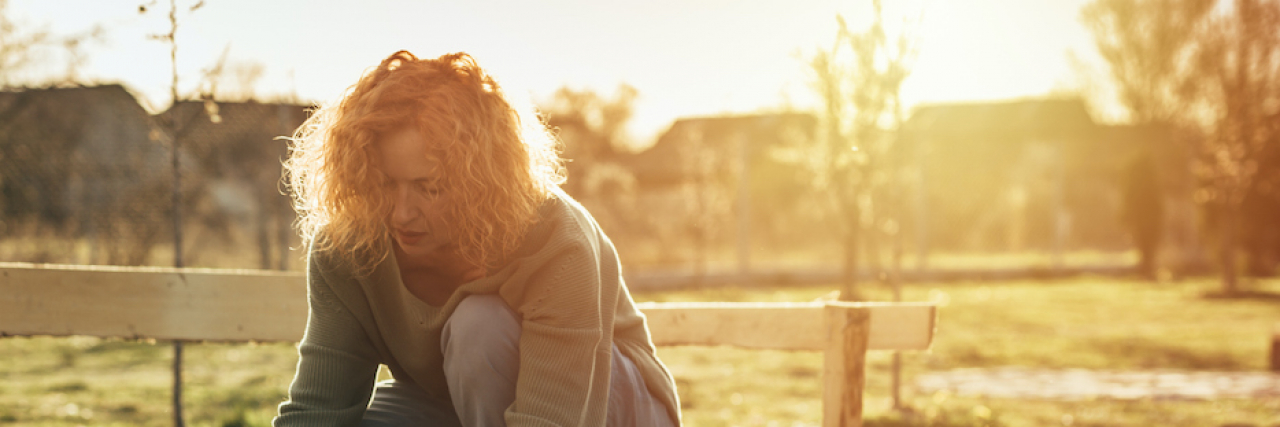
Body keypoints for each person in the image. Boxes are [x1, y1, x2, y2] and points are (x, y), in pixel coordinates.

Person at [274, 51, 681, 427]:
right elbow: (318, 409)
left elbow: (550, 419)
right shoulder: (347, 247)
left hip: (610, 398)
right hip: (454, 400)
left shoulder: (555, 239)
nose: (401, 213)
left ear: (479, 180)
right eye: (384, 183)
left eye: (429, 187)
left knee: (478, 327)